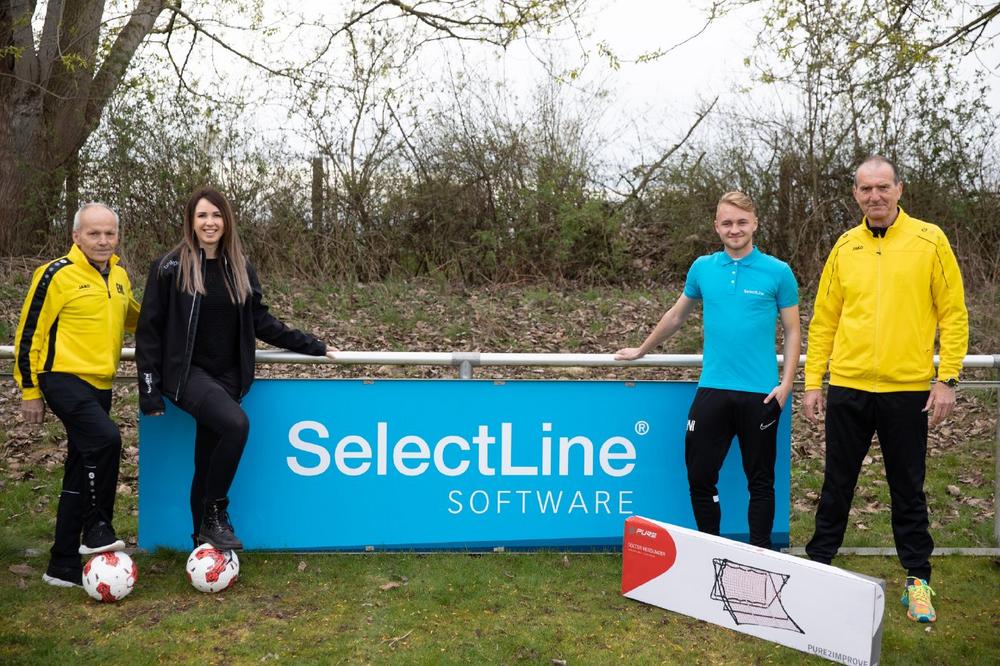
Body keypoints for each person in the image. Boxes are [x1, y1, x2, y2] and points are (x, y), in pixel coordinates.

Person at [803, 155, 968, 624]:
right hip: (849, 386)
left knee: (908, 489)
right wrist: (813, 382)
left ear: (899, 189)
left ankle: (918, 582)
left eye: (882, 187)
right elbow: (825, 319)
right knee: (836, 484)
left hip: (907, 390)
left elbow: (953, 313)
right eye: (865, 189)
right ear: (855, 194)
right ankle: (818, 570)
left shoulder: (930, 240)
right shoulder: (845, 246)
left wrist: (947, 378)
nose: (874, 195)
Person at [135, 187, 336, 551]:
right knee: (236, 424)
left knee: (206, 461)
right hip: (187, 375)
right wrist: (149, 390)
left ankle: (202, 546)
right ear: (191, 221)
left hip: (228, 377)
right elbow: (149, 331)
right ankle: (216, 512)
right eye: (202, 215)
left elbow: (261, 321)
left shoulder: (240, 267)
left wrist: (314, 346)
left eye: (216, 215)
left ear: (226, 221)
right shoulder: (169, 267)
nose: (209, 222)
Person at [616, 191, 800, 550]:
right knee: (700, 476)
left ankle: (761, 554)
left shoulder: (778, 272)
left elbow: (793, 331)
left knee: (760, 481)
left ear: (755, 223)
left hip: (761, 394)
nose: (735, 229)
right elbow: (676, 316)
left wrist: (787, 384)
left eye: (742, 222)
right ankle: (709, 549)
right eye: (727, 223)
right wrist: (642, 349)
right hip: (713, 388)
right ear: (717, 226)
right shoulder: (703, 268)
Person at [13, 203, 141, 588]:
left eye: (109, 233)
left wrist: (180, 317)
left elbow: (135, 317)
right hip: (62, 379)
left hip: (101, 385)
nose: (102, 240)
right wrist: (30, 391)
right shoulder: (55, 274)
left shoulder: (119, 276)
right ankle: (97, 527)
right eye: (93, 233)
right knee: (106, 439)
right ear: (76, 236)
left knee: (79, 467)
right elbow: (28, 334)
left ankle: (62, 563)